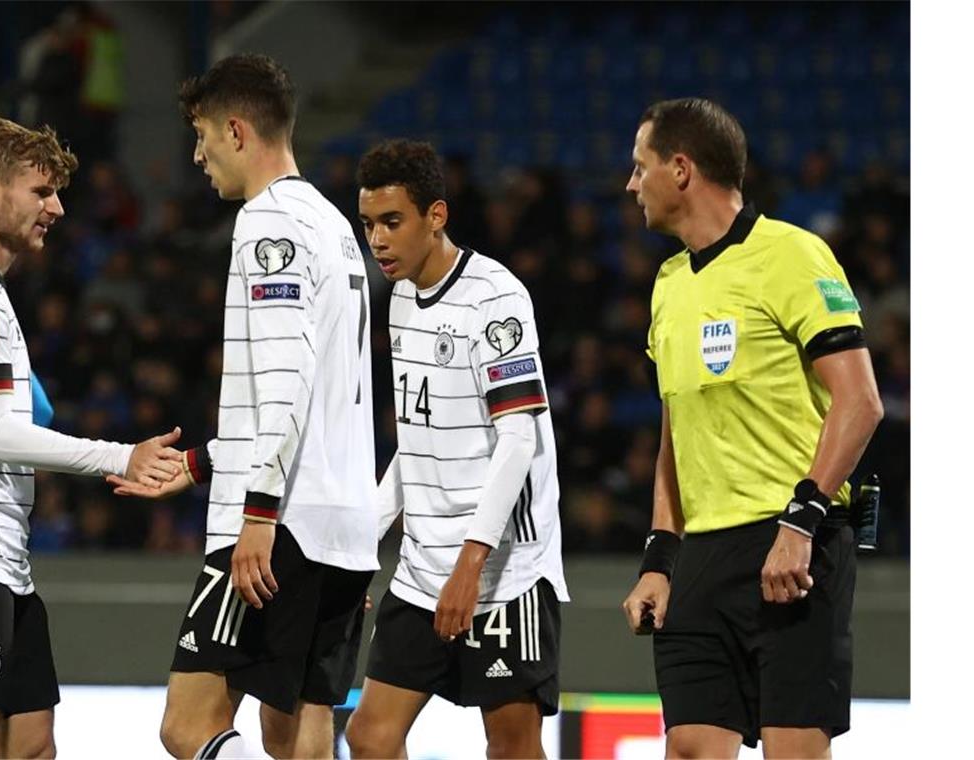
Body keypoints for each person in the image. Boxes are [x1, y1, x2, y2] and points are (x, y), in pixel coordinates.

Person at [106, 54, 378, 759]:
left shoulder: (270, 223)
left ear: (235, 131)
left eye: (200, 136)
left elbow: (285, 382)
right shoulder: (335, 224)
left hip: (276, 521)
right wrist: (199, 462)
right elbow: (317, 395)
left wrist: (255, 511)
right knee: (295, 730)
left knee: (187, 724)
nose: (196, 156)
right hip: (343, 524)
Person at [0, 117, 183, 759]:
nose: (56, 207)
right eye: (42, 191)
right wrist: (121, 456)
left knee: (32, 747)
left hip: (4, 561)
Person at [619, 98, 884, 759]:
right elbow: (675, 430)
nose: (629, 185)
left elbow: (860, 402)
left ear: (680, 170)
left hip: (793, 546)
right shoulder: (667, 282)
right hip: (702, 557)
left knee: (792, 750)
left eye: (639, 166)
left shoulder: (792, 254)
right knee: (689, 747)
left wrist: (800, 524)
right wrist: (660, 557)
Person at [344, 139, 569, 759]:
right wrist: (363, 545)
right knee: (369, 737)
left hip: (505, 573)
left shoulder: (497, 298)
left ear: (435, 216)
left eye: (392, 222)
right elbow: (413, 446)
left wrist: (471, 566)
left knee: (512, 746)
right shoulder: (397, 301)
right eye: (368, 225)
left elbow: (518, 438)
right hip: (420, 568)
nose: (378, 240)